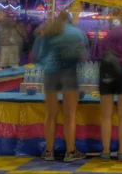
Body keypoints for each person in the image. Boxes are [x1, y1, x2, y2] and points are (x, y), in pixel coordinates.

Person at [37, 11, 88, 162]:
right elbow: (84, 57)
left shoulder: (50, 31)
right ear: (71, 20)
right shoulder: (78, 33)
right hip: (70, 73)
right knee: (69, 115)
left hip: (51, 73)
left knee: (50, 114)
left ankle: (48, 151)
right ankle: (70, 152)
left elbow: (40, 56)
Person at [93, 22, 122, 161]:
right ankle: (121, 152)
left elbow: (95, 55)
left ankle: (106, 151)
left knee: (106, 116)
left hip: (106, 73)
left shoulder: (105, 36)